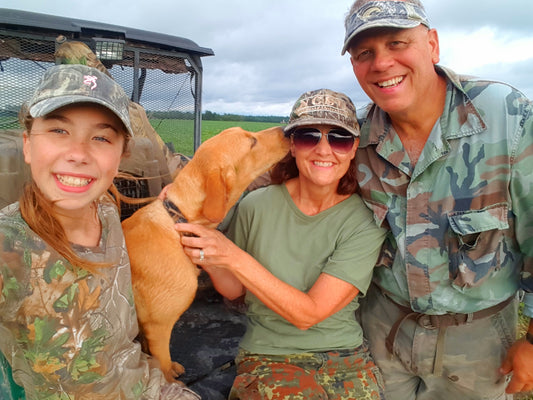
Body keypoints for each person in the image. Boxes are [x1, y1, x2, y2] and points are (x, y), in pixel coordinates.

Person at [341, 0, 533, 399]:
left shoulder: (507, 116)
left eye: (397, 43)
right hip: (381, 328)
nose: (381, 63)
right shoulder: (353, 137)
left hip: (479, 340)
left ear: (432, 44)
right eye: (364, 53)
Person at [0, 64, 199, 400]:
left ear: (120, 156)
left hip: (143, 384)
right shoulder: (9, 245)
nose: (78, 154)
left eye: (101, 137)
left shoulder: (107, 211)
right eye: (59, 131)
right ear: (28, 145)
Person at [175, 89, 387, 399]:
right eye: (308, 137)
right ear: (292, 145)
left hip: (347, 358)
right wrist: (207, 251)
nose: (324, 150)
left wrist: (231, 255)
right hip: (270, 356)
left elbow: (309, 314)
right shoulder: (256, 206)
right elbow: (235, 289)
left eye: (339, 138)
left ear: (354, 148)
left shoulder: (364, 220)